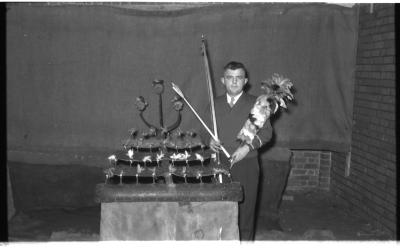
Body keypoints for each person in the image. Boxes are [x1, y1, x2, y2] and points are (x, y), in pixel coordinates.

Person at [208, 61, 273, 241]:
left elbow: (267, 133)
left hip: (247, 163)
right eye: (230, 77)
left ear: (246, 81)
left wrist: (247, 147)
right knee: (219, 210)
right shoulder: (215, 104)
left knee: (245, 212)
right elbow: (203, 129)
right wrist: (209, 141)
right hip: (220, 163)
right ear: (223, 80)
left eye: (239, 78)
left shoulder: (257, 103)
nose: (234, 82)